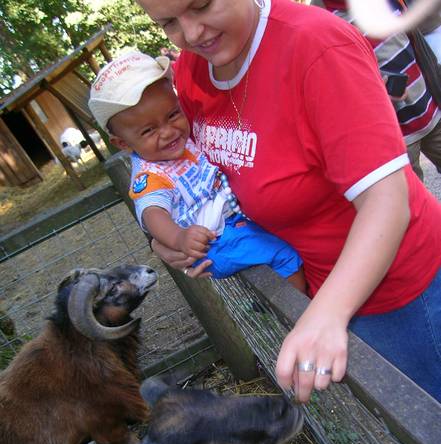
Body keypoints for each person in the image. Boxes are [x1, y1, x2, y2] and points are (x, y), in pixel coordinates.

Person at [135, 0, 441, 406]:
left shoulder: (316, 48)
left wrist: (328, 312)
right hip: (323, 277)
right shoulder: (192, 69)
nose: (191, 34)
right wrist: (168, 236)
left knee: (425, 401)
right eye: (169, 23)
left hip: (395, 282)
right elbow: (200, 172)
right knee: (403, 397)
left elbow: (386, 200)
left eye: (202, 5)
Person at [88, 51, 306, 290]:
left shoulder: (181, 141)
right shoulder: (151, 177)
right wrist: (179, 238)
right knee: (283, 256)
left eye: (173, 114)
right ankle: (300, 314)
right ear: (123, 143)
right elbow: (153, 214)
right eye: (148, 131)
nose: (168, 131)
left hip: (229, 224)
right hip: (214, 241)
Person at [312, 0, 441, 181]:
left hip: (430, 110)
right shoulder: (321, 21)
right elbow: (332, 80)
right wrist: (371, 85)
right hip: (396, 136)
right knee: (412, 203)